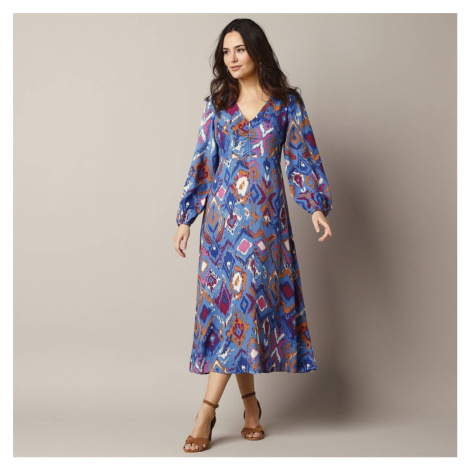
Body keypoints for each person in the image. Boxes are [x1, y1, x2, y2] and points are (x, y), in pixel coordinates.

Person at [173, 18, 333, 453]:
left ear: (257, 51)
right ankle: (248, 409)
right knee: (234, 313)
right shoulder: (218, 105)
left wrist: (315, 206)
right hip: (222, 229)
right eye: (226, 52)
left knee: (243, 309)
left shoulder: (286, 104)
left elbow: (302, 157)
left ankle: (207, 411)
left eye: (239, 49)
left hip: (266, 228)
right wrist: (186, 218)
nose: (232, 58)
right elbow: (204, 161)